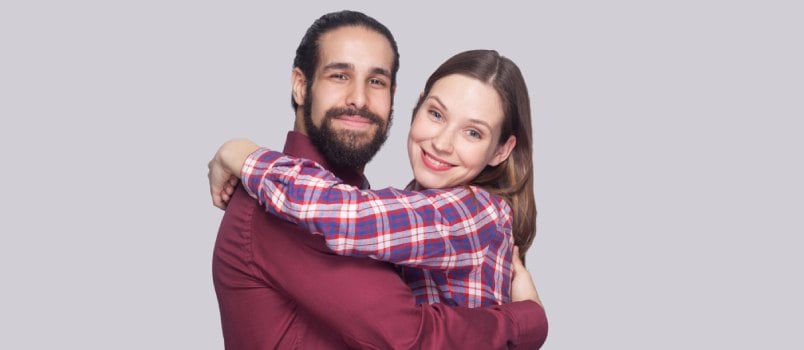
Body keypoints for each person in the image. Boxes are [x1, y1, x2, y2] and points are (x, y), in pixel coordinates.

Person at [209, 10, 547, 349]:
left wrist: (245, 156)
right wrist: (525, 321)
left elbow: (349, 213)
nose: (359, 99)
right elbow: (408, 337)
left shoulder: (471, 209)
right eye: (339, 75)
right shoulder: (281, 208)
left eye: (376, 81)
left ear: (501, 151)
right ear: (300, 85)